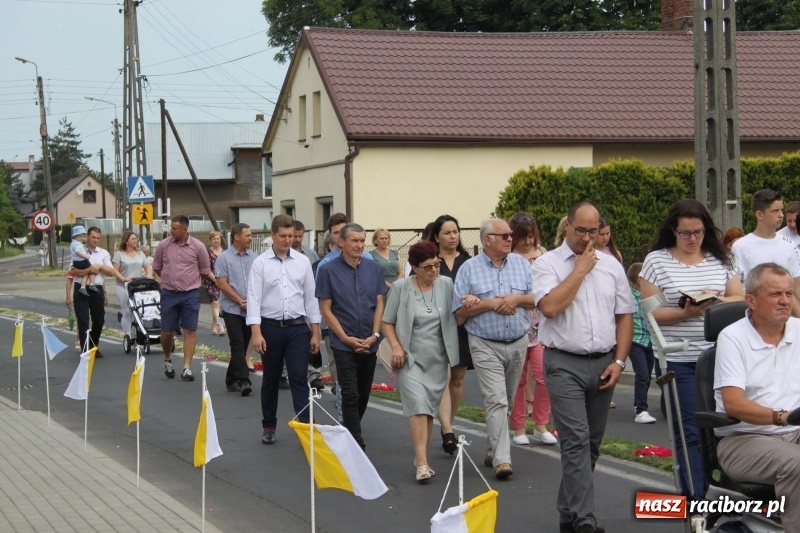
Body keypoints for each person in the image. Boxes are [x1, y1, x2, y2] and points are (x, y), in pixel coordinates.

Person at [531, 201, 635, 533]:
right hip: (563, 362)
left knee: (590, 444)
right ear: (567, 226)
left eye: (594, 231)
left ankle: (568, 514)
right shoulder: (547, 264)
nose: (587, 238)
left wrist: (619, 361)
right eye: (581, 230)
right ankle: (586, 522)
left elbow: (625, 316)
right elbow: (550, 307)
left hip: (604, 362)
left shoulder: (611, 266)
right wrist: (579, 271)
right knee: (575, 440)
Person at [639, 198, 744, 499]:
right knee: (690, 430)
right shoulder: (657, 262)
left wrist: (714, 300)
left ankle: (725, 486)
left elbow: (739, 298)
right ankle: (696, 498)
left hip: (721, 356)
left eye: (698, 232)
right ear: (673, 230)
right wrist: (686, 313)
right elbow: (652, 313)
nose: (692, 239)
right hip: (679, 357)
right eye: (685, 233)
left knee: (728, 425)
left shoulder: (721, 258)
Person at [715, 263, 800, 531]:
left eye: (789, 293)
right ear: (751, 300)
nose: (785, 300)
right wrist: (783, 417)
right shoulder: (732, 337)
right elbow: (733, 403)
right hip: (744, 439)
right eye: (775, 294)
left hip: (795, 433)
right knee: (797, 462)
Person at [453, 217, 534, 480]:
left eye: (511, 234)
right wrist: (489, 304)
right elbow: (458, 314)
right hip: (484, 343)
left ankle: (492, 449)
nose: (510, 239)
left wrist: (515, 300)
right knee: (496, 400)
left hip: (518, 341)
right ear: (487, 240)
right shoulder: (469, 269)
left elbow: (537, 298)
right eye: (504, 235)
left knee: (506, 401)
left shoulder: (522, 264)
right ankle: (502, 460)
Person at [382, 241, 460, 482]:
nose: (434, 270)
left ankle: (420, 457)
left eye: (436, 264)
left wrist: (470, 302)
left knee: (428, 411)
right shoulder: (401, 287)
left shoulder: (446, 284)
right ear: (414, 268)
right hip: (410, 358)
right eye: (427, 267)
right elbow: (387, 321)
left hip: (438, 358)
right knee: (418, 407)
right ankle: (422, 464)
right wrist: (396, 347)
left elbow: (458, 313)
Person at [249, 215, 321, 444]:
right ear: (272, 235)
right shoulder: (260, 263)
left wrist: (316, 331)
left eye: (291, 236)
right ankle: (269, 425)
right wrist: (256, 332)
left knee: (299, 377)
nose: (288, 240)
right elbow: (253, 299)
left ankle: (306, 427)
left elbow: (311, 298)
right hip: (270, 328)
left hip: (297, 327)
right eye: (283, 236)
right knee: (271, 378)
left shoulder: (302, 262)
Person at [316, 222, 387, 450]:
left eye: (362, 240)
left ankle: (349, 431)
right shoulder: (327, 270)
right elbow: (325, 308)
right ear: (341, 242)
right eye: (354, 240)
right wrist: (345, 338)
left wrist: (375, 334)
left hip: (369, 342)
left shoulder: (373, 268)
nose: (359, 245)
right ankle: (356, 441)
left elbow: (379, 302)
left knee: (363, 393)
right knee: (349, 392)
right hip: (343, 343)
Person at [507, 212, 556, 446]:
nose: (527, 242)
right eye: (523, 237)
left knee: (544, 375)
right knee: (518, 379)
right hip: (517, 322)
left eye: (531, 236)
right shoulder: (508, 257)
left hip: (540, 324)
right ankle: (518, 427)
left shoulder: (542, 253)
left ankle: (540, 423)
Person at [428, 214, 473, 454]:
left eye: (455, 231)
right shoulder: (431, 262)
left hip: (462, 327)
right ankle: (446, 429)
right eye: (447, 232)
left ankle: (449, 424)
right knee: (441, 379)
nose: (452, 236)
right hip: (436, 327)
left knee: (457, 380)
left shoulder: (468, 262)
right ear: (437, 237)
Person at [153, 215, 216, 382]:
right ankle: (167, 358)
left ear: (184, 229)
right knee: (167, 331)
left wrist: (191, 282)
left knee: (190, 330)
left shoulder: (198, 247)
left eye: (174, 228)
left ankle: (186, 367)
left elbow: (205, 270)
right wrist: (169, 280)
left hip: (190, 294)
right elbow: (157, 267)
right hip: (169, 293)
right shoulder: (164, 245)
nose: (171, 231)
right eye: (171, 228)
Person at [732, 189, 800, 316]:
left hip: (786, 317)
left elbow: (796, 286)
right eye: (775, 211)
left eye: (781, 210)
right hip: (755, 317)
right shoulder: (740, 246)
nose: (781, 215)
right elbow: (736, 289)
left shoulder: (789, 244)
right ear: (759, 215)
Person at [215, 223, 256, 396]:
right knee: (237, 343)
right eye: (248, 235)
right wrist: (239, 300)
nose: (251, 238)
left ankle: (231, 379)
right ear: (237, 237)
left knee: (244, 344)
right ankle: (244, 380)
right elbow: (222, 284)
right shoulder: (224, 258)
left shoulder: (254, 258)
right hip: (231, 308)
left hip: (250, 309)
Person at [71, 226, 114, 357]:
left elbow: (111, 271)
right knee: (83, 320)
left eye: (97, 238)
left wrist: (99, 266)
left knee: (99, 320)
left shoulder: (103, 253)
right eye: (93, 237)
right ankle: (86, 350)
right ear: (87, 237)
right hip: (81, 287)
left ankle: (93, 345)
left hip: (97, 288)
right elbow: (74, 271)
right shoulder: (78, 250)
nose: (95, 240)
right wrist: (90, 270)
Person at [293, 220, 324, 389]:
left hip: (310, 302)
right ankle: (285, 374)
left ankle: (313, 375)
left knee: (313, 338)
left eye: (300, 236)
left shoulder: (310, 255)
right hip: (293, 305)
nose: (297, 239)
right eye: (294, 236)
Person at [626, 262, 656, 424]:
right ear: (639, 279)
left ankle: (640, 404)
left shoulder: (649, 295)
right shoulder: (629, 296)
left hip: (650, 340)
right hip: (635, 340)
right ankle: (640, 410)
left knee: (647, 375)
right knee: (643, 374)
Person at [112, 231, 153, 343]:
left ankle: (139, 333)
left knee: (139, 311)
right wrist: (123, 278)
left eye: (136, 238)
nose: (135, 240)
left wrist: (149, 275)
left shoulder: (140, 253)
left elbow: (147, 266)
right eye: (133, 239)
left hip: (138, 286)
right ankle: (128, 335)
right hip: (124, 286)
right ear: (126, 241)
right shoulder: (119, 254)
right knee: (127, 312)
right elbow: (115, 270)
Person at [205, 230, 226, 336]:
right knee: (215, 303)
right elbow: (206, 269)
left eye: (218, 238)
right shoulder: (207, 253)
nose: (216, 241)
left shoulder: (225, 252)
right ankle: (221, 326)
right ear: (211, 240)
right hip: (211, 281)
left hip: (223, 281)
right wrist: (215, 280)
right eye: (214, 239)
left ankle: (214, 326)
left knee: (219, 305)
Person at [70, 226, 98, 297]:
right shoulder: (77, 244)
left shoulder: (73, 243)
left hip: (76, 262)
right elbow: (77, 252)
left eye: (83, 236)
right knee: (92, 269)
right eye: (80, 236)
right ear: (75, 236)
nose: (82, 238)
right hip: (81, 261)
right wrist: (85, 256)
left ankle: (83, 287)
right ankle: (92, 284)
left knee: (85, 273)